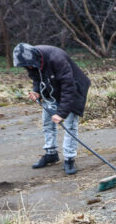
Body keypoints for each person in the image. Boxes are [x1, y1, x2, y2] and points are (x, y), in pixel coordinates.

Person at [13, 43, 91, 175]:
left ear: (36, 58)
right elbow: (36, 77)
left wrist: (61, 113)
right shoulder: (31, 62)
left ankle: (69, 159)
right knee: (47, 122)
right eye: (27, 66)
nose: (29, 68)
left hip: (74, 90)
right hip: (53, 89)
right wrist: (37, 91)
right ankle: (51, 153)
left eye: (30, 65)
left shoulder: (57, 59)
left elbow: (69, 87)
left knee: (70, 125)